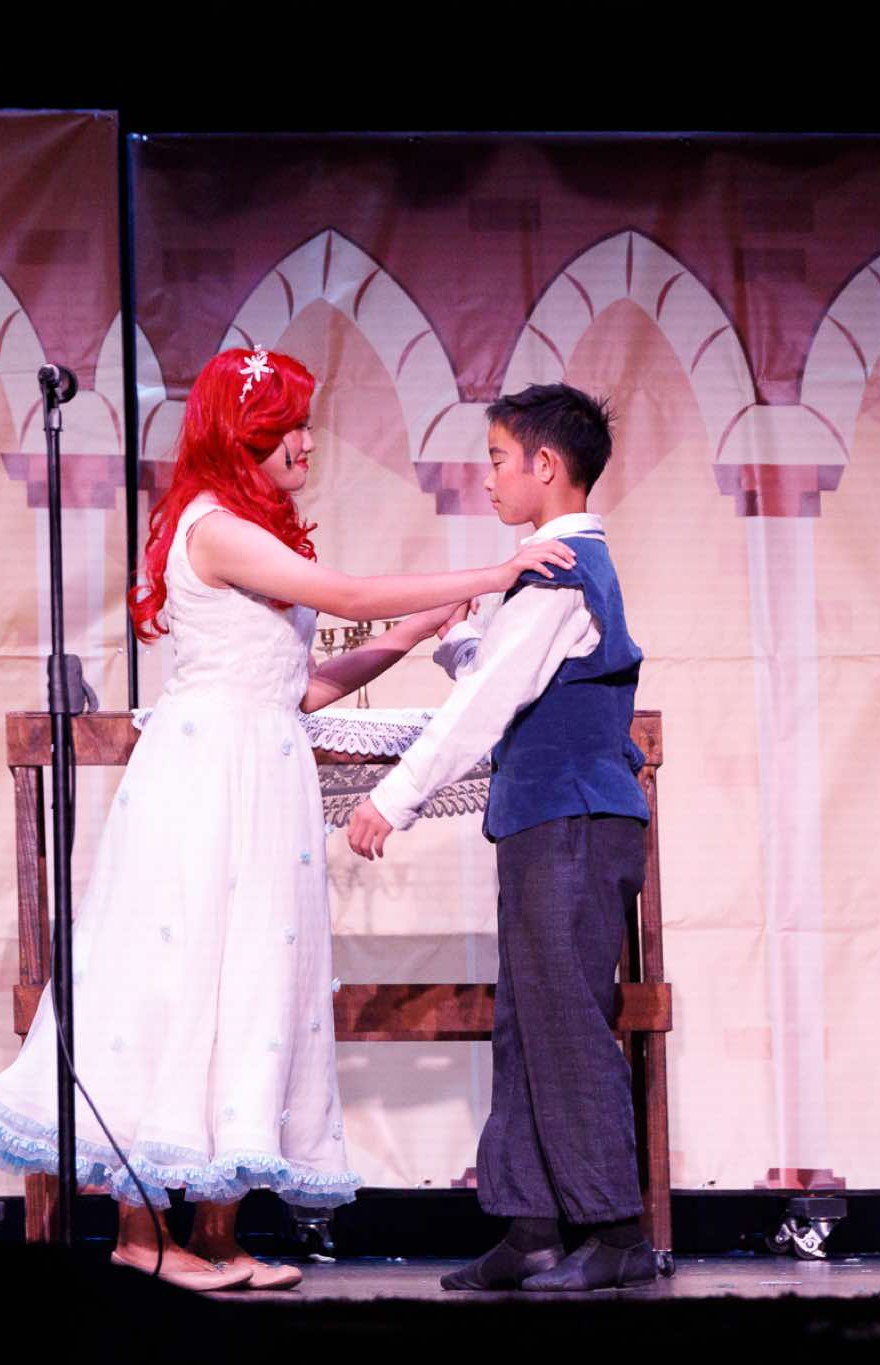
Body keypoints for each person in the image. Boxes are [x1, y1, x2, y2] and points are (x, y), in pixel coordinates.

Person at [0, 347, 575, 1291]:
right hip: (205, 778)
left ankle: (217, 1227)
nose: (306, 444)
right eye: (287, 429)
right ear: (240, 438)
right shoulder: (212, 525)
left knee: (253, 988)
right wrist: (491, 572)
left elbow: (298, 686)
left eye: (305, 425)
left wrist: (409, 637)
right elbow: (348, 597)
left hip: (263, 772)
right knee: (180, 976)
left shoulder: (254, 532)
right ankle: (141, 1232)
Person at [344, 382, 657, 1291]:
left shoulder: (561, 568)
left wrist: (394, 797)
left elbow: (488, 702)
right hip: (545, 821)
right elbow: (505, 673)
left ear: (544, 465)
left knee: (566, 1021)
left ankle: (617, 1230)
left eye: (496, 460)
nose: (486, 479)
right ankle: (533, 1228)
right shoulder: (552, 570)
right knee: (527, 1020)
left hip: (573, 821)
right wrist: (455, 639)